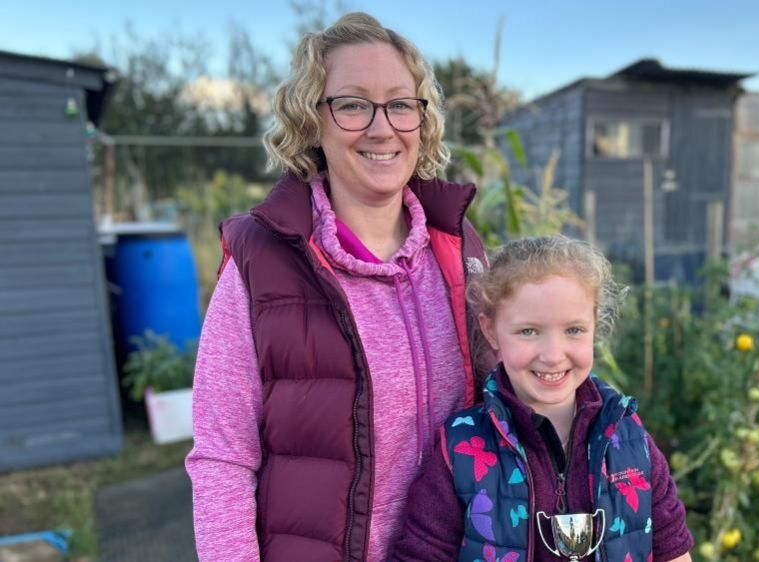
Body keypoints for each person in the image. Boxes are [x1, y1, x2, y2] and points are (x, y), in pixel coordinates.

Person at [185, 12, 492, 562]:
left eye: (401, 104)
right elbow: (223, 457)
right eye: (352, 104)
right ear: (312, 123)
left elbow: (507, 404)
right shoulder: (264, 258)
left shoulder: (458, 245)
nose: (382, 127)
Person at [392, 236, 694, 561]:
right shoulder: (460, 447)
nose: (552, 355)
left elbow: (673, 549)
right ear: (491, 330)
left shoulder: (630, 438)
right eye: (529, 331)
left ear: (595, 325)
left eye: (574, 330)